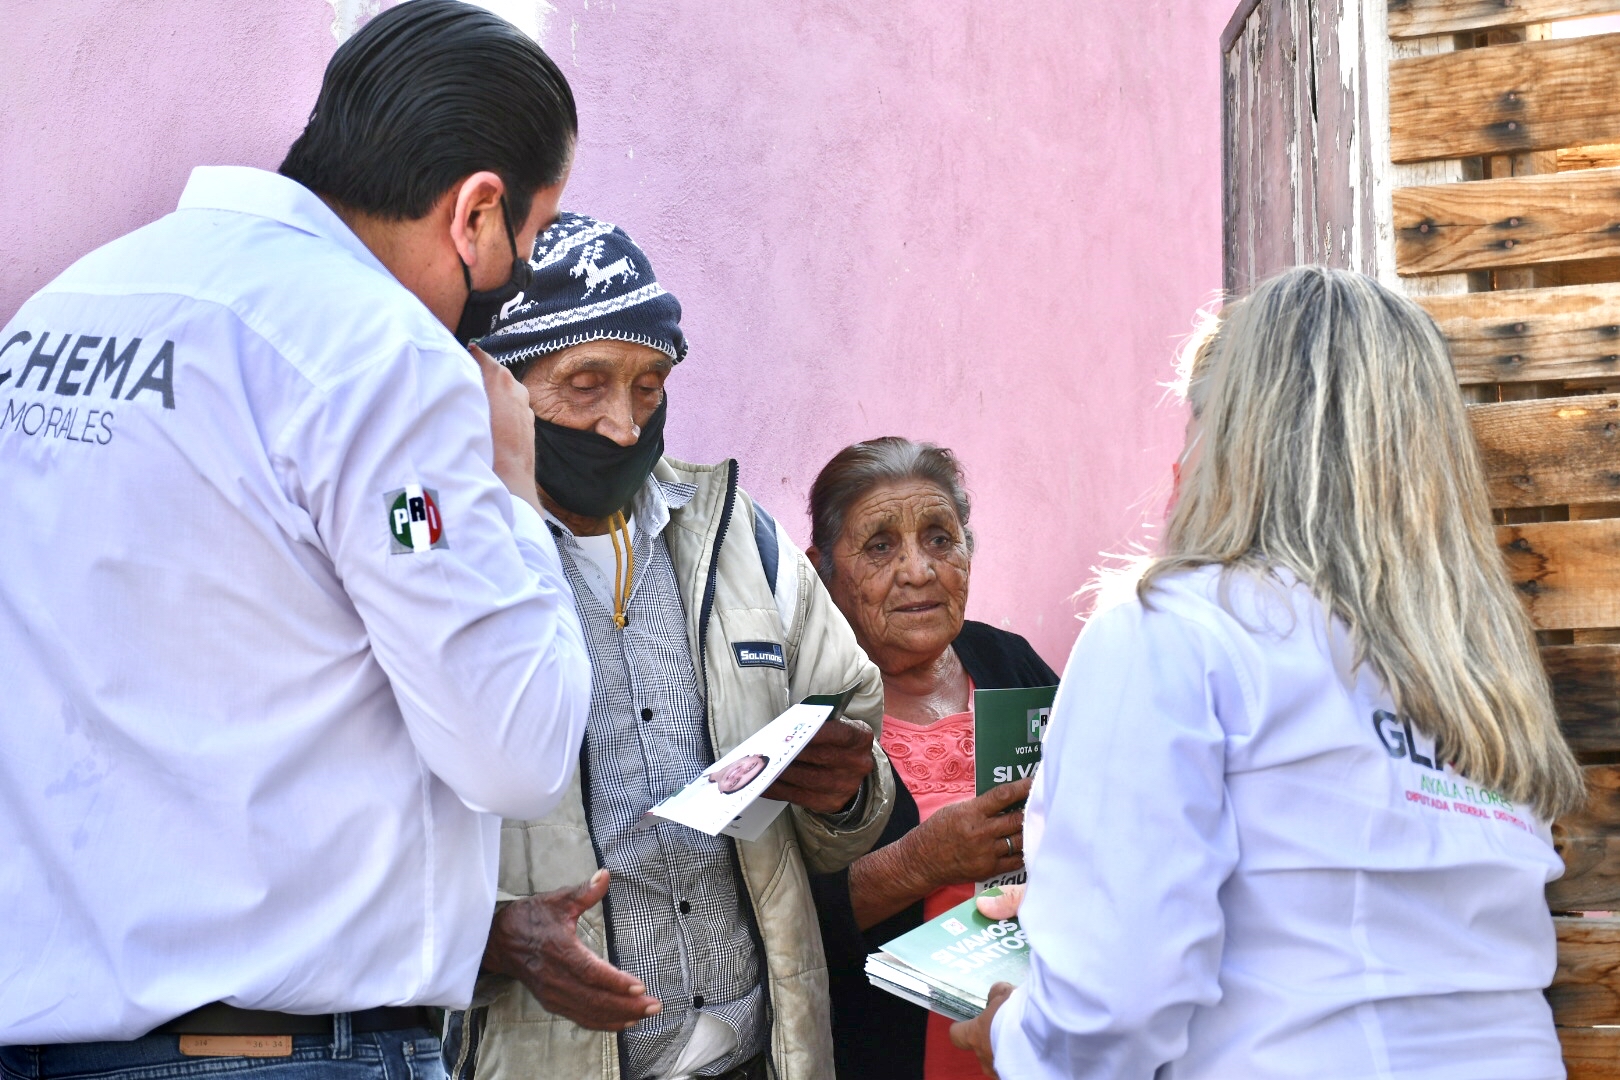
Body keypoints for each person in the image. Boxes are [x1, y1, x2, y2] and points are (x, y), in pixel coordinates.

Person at [0, 4, 592, 1078]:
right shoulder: (382, 358)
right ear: (477, 211)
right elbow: (516, 748)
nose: (518, 276)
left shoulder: (58, 315)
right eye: (532, 240)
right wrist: (511, 488)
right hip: (278, 1049)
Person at [949, 266, 1587, 1079]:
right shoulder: (1482, 674)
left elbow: (1110, 1015)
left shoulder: (1175, 632)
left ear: (1234, 440)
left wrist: (1014, 1030)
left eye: (1197, 423)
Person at [454, 213, 895, 1080]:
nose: (623, 426)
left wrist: (847, 793)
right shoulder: (449, 558)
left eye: (649, 388)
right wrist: (490, 937)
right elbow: (366, 848)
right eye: (586, 384)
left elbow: (853, 767)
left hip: (758, 1060)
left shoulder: (741, 539)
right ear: (502, 384)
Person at [802, 437, 1057, 1080]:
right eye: (880, 546)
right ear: (821, 569)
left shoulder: (1009, 661)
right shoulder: (808, 713)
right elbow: (782, 922)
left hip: (1035, 1036)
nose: (918, 571)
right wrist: (924, 861)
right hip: (887, 1052)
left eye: (941, 539)